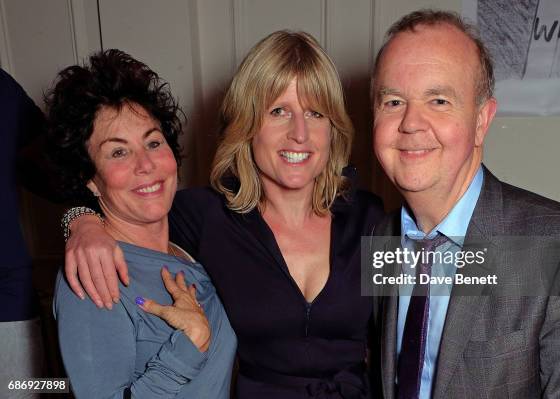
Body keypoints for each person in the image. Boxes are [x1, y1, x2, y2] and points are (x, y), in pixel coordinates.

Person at [61, 31, 384, 398]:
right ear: (247, 125)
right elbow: (120, 193)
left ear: (333, 128)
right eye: (278, 111)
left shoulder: (370, 219)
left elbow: (425, 324)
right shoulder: (205, 216)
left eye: (315, 112)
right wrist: (81, 222)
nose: (300, 133)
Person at [369, 9, 560, 399]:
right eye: (394, 101)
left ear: (482, 120)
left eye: (439, 100)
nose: (411, 123)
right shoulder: (382, 236)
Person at [48, 49, 236, 398]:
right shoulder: (94, 274)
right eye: (118, 151)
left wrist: (78, 218)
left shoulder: (197, 225)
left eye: (153, 142)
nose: (146, 164)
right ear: (89, 178)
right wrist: (188, 346)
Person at [0, 68, 49, 397]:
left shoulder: (2, 90)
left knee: (33, 389)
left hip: (7, 297)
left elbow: (61, 173)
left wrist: (82, 216)